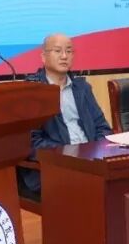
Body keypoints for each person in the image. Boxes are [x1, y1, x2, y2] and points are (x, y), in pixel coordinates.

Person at [18, 33, 113, 196]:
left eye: (69, 51)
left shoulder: (82, 88)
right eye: (58, 51)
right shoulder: (32, 91)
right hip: (53, 167)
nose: (64, 56)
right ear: (43, 57)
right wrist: (71, 155)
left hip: (90, 164)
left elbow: (103, 128)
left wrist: (93, 154)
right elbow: (31, 142)